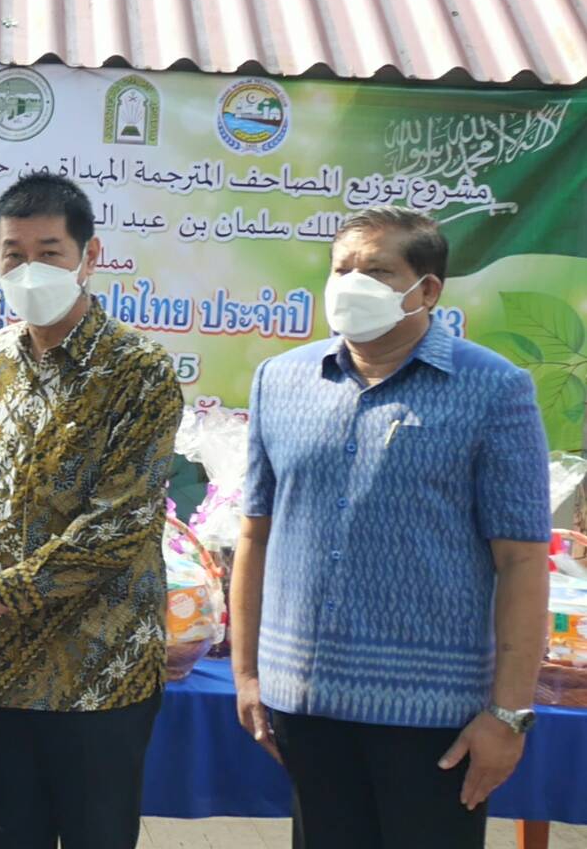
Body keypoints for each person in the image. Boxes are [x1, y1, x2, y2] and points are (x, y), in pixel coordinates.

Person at [232, 207, 551, 849]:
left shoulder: (494, 389)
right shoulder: (280, 380)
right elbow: (255, 536)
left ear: (427, 290)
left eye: (377, 271)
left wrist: (509, 714)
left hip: (433, 720)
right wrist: (247, 676)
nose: (352, 284)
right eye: (341, 269)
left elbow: (521, 560)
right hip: (307, 707)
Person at [0, 172, 183, 849]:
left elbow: (118, 526)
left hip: (99, 677)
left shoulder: (139, 371)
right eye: (14, 254)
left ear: (90, 255)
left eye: (49, 252)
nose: (31, 270)